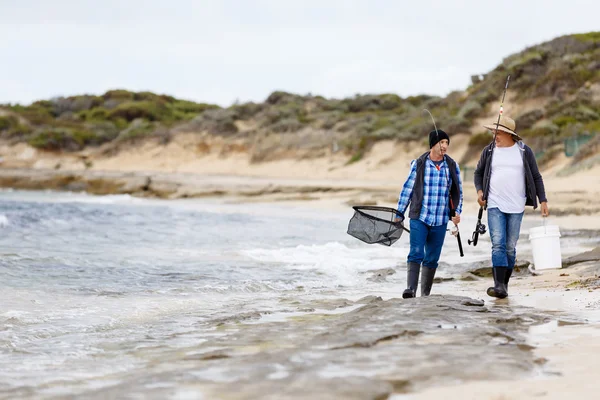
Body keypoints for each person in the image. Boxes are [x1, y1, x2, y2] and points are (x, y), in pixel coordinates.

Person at [473, 115, 549, 299]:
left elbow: (537, 177)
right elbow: (478, 173)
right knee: (498, 243)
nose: (495, 136)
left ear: (508, 134)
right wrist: (480, 191)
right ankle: (498, 285)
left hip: (517, 205)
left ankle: (504, 286)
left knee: (510, 247)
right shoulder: (489, 150)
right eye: (493, 132)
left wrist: (543, 200)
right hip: (495, 204)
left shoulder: (524, 151)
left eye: (497, 133)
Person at [396, 129, 463, 298]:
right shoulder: (419, 164)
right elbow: (407, 189)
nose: (445, 146)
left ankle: (425, 295)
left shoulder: (452, 165)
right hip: (420, 216)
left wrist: (457, 214)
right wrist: (399, 213)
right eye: (441, 142)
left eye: (447, 143)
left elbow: (458, 193)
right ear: (433, 144)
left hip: (441, 219)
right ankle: (411, 290)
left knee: (432, 258)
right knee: (416, 252)